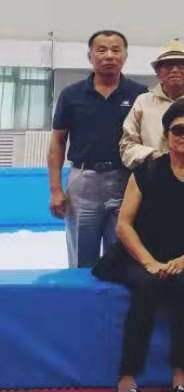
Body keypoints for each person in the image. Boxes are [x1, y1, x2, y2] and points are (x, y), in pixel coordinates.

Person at [101, 101, 184, 392]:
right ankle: (127, 375)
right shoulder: (146, 172)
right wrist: (149, 262)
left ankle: (180, 371)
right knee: (147, 285)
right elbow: (124, 225)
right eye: (179, 129)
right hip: (139, 254)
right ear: (166, 134)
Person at [48, 29, 147, 267]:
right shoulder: (71, 95)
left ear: (125, 56)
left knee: (121, 257)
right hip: (84, 181)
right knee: (81, 257)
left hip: (126, 181)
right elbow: (58, 142)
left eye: (116, 50)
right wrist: (55, 190)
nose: (109, 55)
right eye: (101, 50)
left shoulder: (140, 94)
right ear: (90, 56)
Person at [119, 40, 184, 168]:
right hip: (150, 174)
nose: (174, 70)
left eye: (181, 65)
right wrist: (157, 157)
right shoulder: (143, 102)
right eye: (168, 65)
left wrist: (181, 168)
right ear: (157, 71)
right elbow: (128, 145)